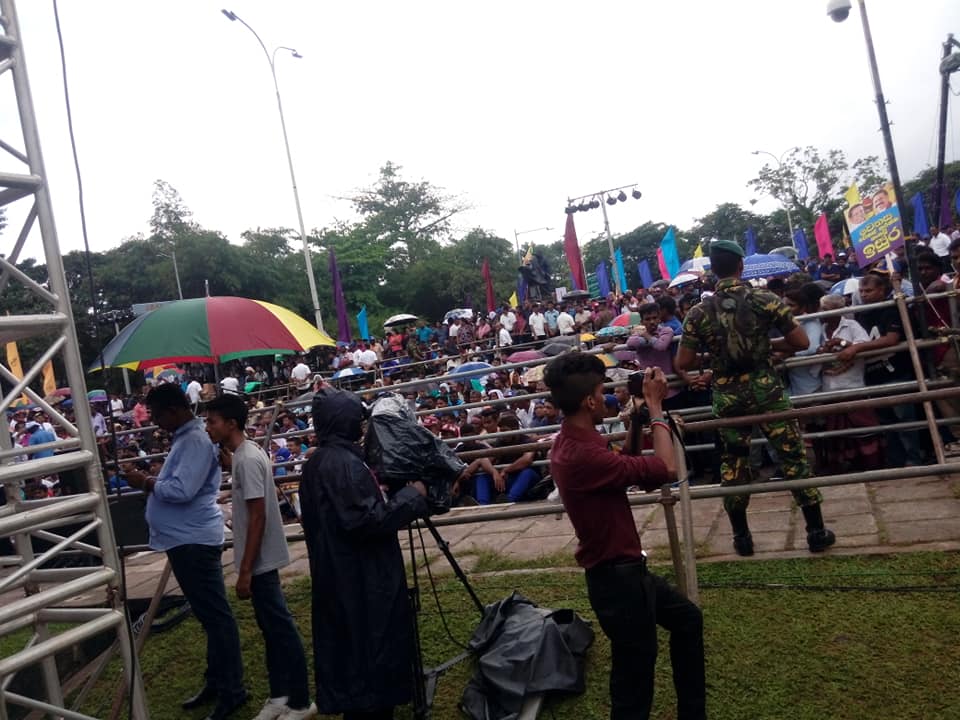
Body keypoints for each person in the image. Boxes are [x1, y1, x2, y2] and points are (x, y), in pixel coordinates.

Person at [545, 355, 705, 720]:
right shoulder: (583, 455)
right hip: (618, 580)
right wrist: (656, 407)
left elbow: (628, 469)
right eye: (602, 392)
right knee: (634, 679)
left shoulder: (573, 440)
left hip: (625, 571)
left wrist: (636, 422)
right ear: (589, 401)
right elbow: (666, 469)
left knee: (687, 620)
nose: (607, 398)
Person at [676, 239, 835, 556]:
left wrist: (716, 353)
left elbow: (684, 362)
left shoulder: (698, 312)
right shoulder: (765, 299)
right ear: (741, 266)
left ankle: (742, 539)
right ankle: (816, 531)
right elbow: (801, 342)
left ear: (713, 270)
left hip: (728, 398)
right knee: (792, 456)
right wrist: (764, 345)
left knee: (733, 464)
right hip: (768, 392)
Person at [299, 389, 429, 720]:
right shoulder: (343, 464)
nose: (362, 426)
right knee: (371, 654)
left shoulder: (320, 462)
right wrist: (411, 497)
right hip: (362, 580)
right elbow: (368, 521)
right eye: (357, 419)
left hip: (338, 575)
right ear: (344, 422)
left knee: (352, 655)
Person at [123, 384, 246, 720]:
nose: (155, 421)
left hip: (193, 541)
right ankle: (216, 681)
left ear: (174, 410)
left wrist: (145, 481)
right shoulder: (186, 439)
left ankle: (232, 690)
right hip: (185, 539)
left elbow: (181, 491)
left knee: (217, 618)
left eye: (157, 414)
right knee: (211, 618)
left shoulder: (193, 441)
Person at [204, 395, 316, 720]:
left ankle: (301, 701)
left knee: (281, 629)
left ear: (231, 424)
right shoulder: (243, 456)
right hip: (257, 560)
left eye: (212, 421)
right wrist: (230, 464)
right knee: (270, 629)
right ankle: (280, 695)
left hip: (260, 561)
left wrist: (245, 571)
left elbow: (257, 517)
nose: (208, 427)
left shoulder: (248, 459)